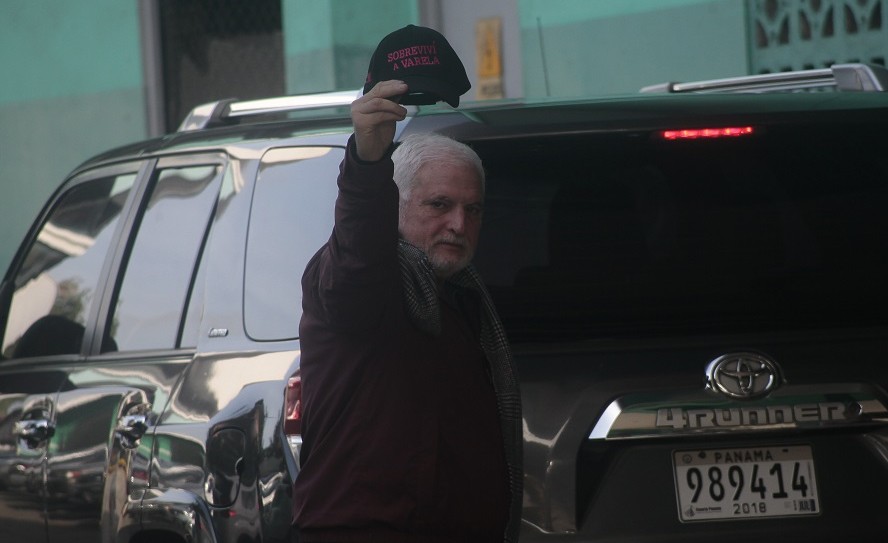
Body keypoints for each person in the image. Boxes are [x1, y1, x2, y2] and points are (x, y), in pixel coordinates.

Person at [292, 79, 522, 543]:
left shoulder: (463, 300)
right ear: (393, 205)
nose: (458, 224)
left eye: (472, 209)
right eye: (439, 204)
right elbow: (359, 254)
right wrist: (368, 161)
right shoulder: (357, 282)